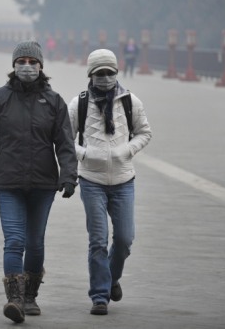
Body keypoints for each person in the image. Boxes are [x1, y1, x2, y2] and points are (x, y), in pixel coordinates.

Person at [0, 41, 78, 324]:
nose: (27, 66)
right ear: (13, 65)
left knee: (35, 243)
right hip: (9, 183)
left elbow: (65, 143)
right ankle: (14, 298)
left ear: (41, 66)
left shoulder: (54, 101)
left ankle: (30, 296)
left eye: (32, 61)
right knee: (14, 240)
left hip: (43, 184)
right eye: (21, 61)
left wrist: (69, 176)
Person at [68, 49, 152, 316]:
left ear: (117, 73)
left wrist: (126, 150)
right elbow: (64, 140)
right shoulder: (78, 104)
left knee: (125, 238)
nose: (105, 78)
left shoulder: (130, 101)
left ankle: (111, 277)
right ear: (90, 75)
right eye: (99, 73)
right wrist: (84, 154)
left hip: (124, 179)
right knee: (98, 240)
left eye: (109, 73)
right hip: (91, 180)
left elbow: (144, 132)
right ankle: (100, 296)